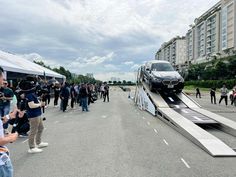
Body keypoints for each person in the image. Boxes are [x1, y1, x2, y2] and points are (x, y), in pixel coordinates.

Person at [20, 76, 49, 153]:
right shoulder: (29, 94)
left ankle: (38, 143)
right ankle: (32, 147)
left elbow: (35, 102)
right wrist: (40, 104)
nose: (35, 84)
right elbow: (31, 105)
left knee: (41, 128)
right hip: (33, 115)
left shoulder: (31, 93)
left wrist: (41, 102)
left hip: (37, 113)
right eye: (34, 83)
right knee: (33, 131)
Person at [0, 66, 18, 177]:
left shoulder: (8, 91)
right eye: (2, 77)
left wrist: (7, 117)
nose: (3, 81)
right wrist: (12, 137)